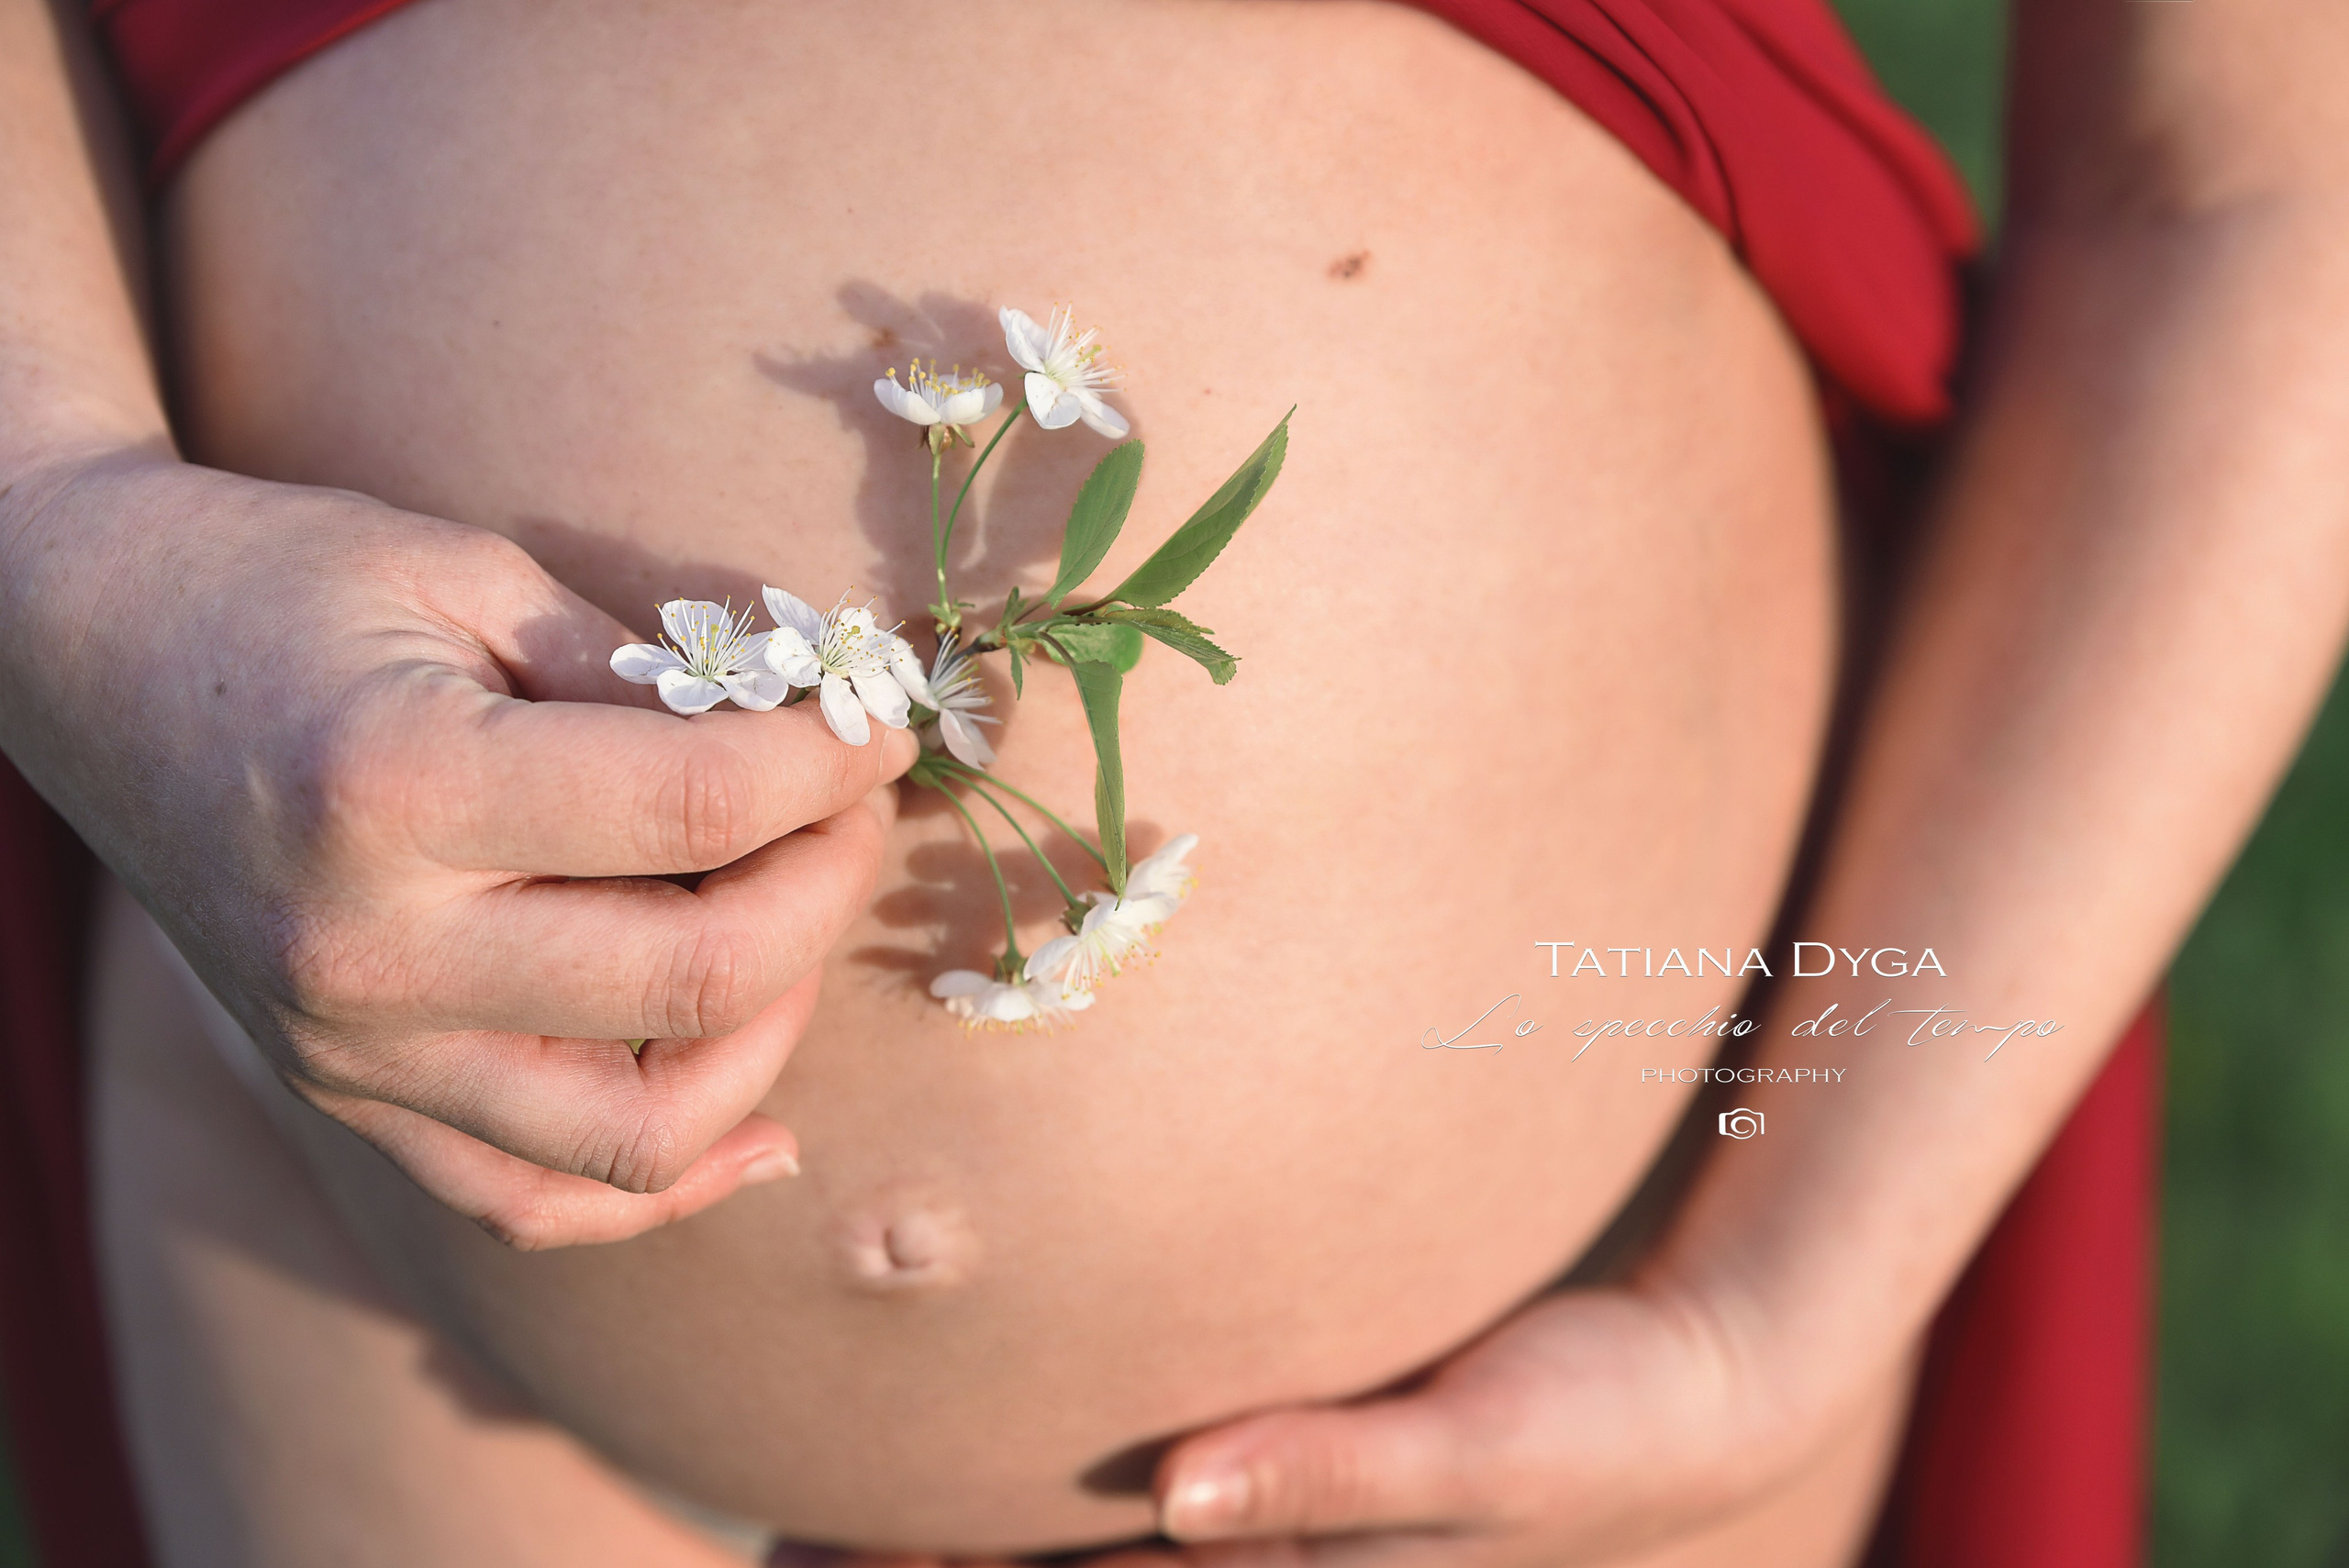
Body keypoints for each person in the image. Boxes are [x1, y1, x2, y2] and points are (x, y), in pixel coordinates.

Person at [2, 0, 2342, 1563]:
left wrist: (1782, 1305)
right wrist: (68, 540)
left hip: (1551, 1349)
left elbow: (2246, 179)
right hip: (373, 1256)